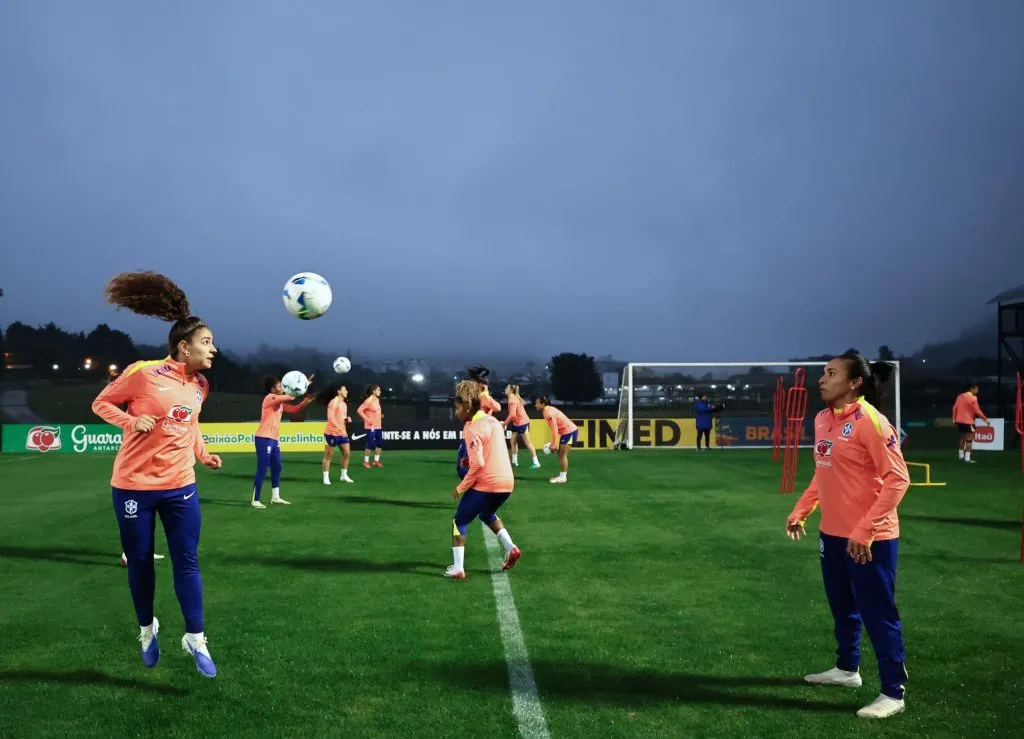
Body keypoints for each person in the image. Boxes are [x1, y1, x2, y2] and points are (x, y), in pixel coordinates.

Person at [91, 270, 223, 678]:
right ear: (183, 347)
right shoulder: (143, 373)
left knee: (188, 561)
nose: (213, 349)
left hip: (181, 485)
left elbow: (192, 424)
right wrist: (132, 424)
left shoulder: (200, 384)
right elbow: (101, 403)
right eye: (206, 342)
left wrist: (202, 454)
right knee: (141, 563)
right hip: (134, 487)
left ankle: (195, 639)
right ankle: (148, 631)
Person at [785, 352, 911, 719]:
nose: (822, 379)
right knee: (843, 607)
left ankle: (893, 692)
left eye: (831, 373)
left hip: (871, 539)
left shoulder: (871, 421)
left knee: (878, 613)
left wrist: (865, 529)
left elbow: (898, 479)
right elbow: (823, 472)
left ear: (854, 382)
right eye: (823, 373)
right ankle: (847, 670)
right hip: (833, 535)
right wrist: (801, 510)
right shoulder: (823, 418)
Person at [446, 381, 521, 579]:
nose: (457, 413)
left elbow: (477, 463)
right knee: (487, 513)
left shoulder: (471, 427)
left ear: (468, 406)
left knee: (459, 521)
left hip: (487, 483)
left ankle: (458, 568)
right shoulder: (493, 421)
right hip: (507, 483)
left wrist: (461, 487)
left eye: (458, 407)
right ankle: (511, 547)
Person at [252, 374, 314, 508]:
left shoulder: (279, 403)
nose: (282, 388)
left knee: (277, 466)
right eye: (280, 386)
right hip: (264, 438)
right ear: (273, 390)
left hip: (274, 439)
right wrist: (304, 384)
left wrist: (305, 402)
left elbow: (294, 409)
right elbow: (291, 396)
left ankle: (275, 497)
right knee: (262, 468)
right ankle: (255, 499)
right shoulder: (270, 398)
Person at [534, 396, 577, 484]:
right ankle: (561, 476)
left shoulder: (548, 413)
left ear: (543, 404)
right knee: (560, 455)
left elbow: (555, 430)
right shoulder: (547, 410)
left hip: (569, 432)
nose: (535, 405)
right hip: (567, 432)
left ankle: (563, 478)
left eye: (537, 403)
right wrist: (554, 443)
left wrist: (553, 445)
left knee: (562, 455)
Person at [317, 383, 354, 484]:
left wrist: (347, 419)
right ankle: (326, 477)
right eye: (345, 389)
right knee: (328, 456)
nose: (347, 391)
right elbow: (331, 418)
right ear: (339, 391)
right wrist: (338, 427)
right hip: (332, 433)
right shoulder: (334, 402)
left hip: (342, 433)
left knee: (347, 454)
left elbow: (341, 417)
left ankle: (344, 475)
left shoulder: (344, 404)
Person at [503, 384, 541, 469]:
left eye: (507, 388)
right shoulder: (513, 398)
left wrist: (504, 423)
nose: (505, 389)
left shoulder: (512, 399)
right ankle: (514, 462)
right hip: (517, 423)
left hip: (522, 423)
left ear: (511, 390)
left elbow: (512, 414)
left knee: (528, 443)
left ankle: (536, 462)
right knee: (513, 441)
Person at [952, 382, 990, 463]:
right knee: (969, 440)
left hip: (959, 421)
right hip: (968, 421)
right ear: (971, 389)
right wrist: (985, 419)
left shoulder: (960, 396)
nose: (977, 391)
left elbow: (954, 408)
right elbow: (977, 411)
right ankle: (967, 459)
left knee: (962, 438)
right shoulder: (973, 398)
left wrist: (953, 418)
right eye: (976, 389)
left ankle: (961, 456)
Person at [357, 385, 384, 468]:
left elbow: (375, 411)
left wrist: (380, 415)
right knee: (370, 443)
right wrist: (368, 419)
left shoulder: (377, 400)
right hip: (370, 426)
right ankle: (366, 462)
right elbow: (359, 410)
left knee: (379, 443)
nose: (380, 391)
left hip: (378, 426)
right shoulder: (369, 400)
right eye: (378, 390)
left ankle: (376, 461)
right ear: (373, 391)